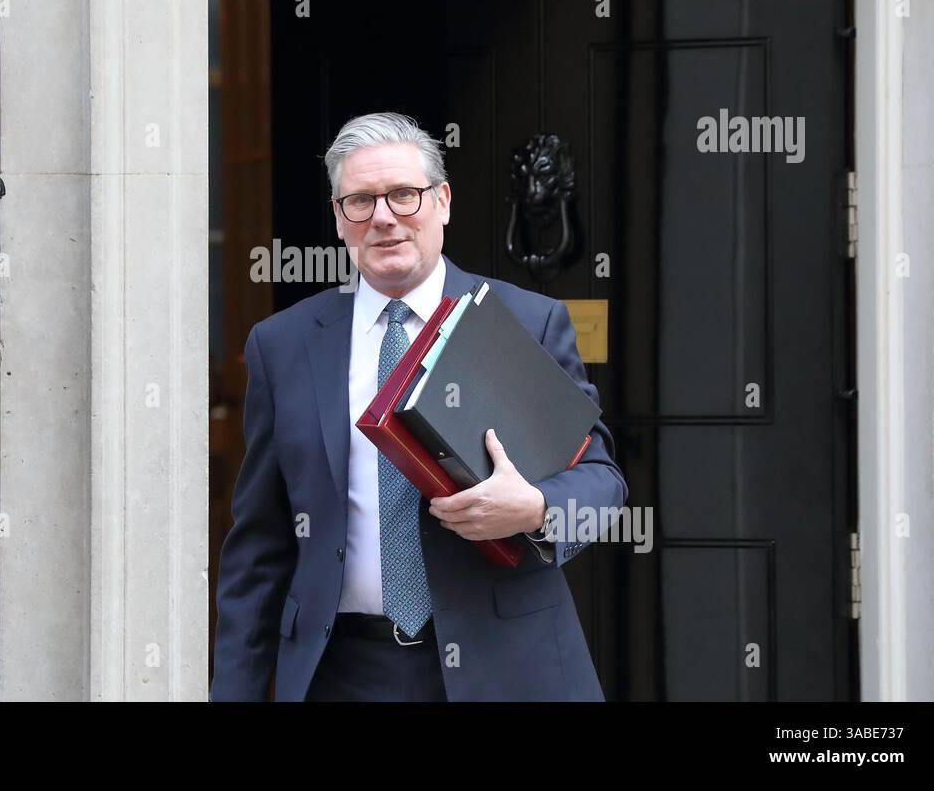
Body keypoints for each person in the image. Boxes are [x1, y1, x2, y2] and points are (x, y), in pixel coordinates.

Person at [210, 112, 627, 701]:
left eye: (404, 195)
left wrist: (533, 506)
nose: (383, 218)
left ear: (443, 201)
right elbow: (258, 548)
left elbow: (601, 481)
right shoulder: (282, 346)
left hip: (508, 667)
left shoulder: (523, 321)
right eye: (360, 201)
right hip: (344, 672)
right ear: (338, 218)